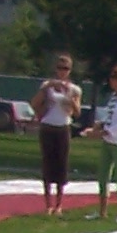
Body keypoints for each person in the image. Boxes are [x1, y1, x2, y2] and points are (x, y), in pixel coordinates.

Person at [84, 64, 117, 223]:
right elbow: (109, 117)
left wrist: (99, 134)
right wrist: (98, 126)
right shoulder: (115, 98)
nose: (111, 82)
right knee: (103, 176)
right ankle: (102, 211)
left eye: (114, 79)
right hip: (108, 142)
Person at [30, 54, 81, 216]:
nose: (62, 71)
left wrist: (70, 100)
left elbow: (77, 112)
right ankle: (48, 204)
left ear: (70, 70)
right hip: (48, 125)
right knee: (47, 162)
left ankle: (59, 204)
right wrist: (47, 89)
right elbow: (34, 103)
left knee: (61, 164)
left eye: (65, 69)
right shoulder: (47, 86)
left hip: (63, 126)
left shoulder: (74, 89)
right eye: (60, 68)